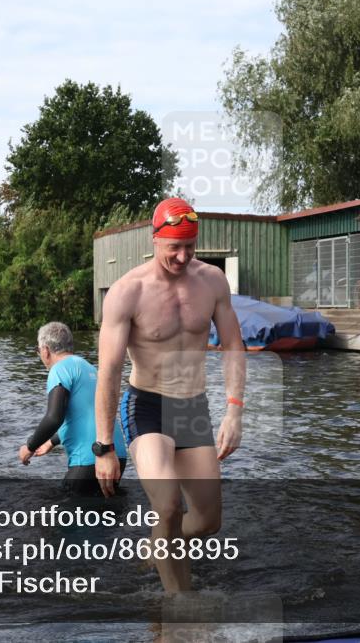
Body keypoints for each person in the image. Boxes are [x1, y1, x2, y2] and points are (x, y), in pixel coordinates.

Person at [94, 197, 245, 592]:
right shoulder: (128, 291)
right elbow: (108, 372)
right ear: (154, 239)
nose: (181, 256)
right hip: (147, 406)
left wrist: (234, 411)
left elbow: (233, 345)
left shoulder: (212, 281)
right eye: (173, 247)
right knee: (168, 507)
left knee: (209, 520)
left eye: (189, 247)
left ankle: (156, 548)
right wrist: (104, 446)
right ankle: (182, 615)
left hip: (193, 407)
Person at [18, 322, 128, 496]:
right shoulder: (89, 368)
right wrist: (50, 442)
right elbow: (84, 416)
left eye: (38, 351)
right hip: (116, 455)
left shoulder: (59, 370)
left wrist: (29, 447)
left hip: (88, 460)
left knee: (67, 518)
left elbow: (54, 418)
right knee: (105, 518)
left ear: (45, 350)